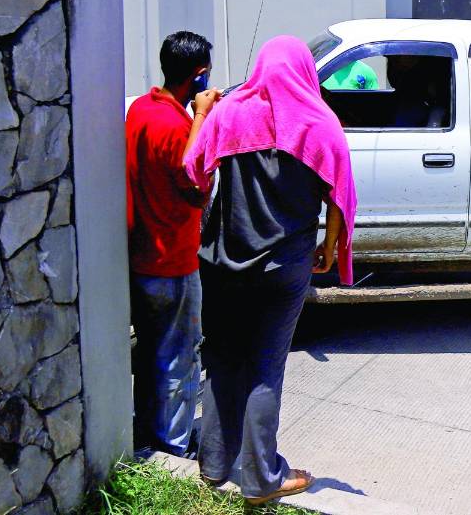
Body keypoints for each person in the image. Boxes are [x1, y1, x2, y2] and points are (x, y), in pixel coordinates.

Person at [184, 35, 356, 506]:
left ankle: (214, 467)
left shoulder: (229, 112)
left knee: (221, 361)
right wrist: (331, 243)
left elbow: (193, 168)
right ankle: (261, 479)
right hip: (284, 266)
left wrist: (201, 113)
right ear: (304, 71)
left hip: (222, 261)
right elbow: (338, 191)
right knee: (265, 369)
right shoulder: (320, 122)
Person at [124, 30, 221, 456]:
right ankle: (173, 444)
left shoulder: (142, 110)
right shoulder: (175, 125)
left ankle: (147, 429)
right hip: (173, 261)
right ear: (199, 76)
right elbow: (196, 184)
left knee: (149, 352)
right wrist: (202, 117)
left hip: (139, 254)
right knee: (179, 360)